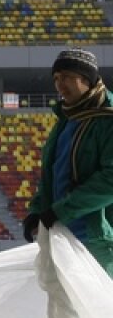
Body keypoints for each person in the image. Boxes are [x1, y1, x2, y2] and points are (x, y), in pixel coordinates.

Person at [24, 48, 113, 274]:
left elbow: (110, 179)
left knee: (99, 306)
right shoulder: (67, 119)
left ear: (85, 79)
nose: (59, 85)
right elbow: (52, 173)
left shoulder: (108, 120)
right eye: (55, 78)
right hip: (64, 236)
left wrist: (59, 211)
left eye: (65, 77)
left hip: (100, 240)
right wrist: (37, 210)